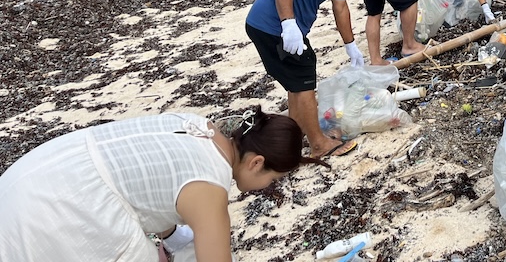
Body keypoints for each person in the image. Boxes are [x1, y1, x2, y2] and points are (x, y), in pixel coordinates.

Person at [0, 107, 314, 261]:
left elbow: (152, 179)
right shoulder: (209, 186)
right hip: (65, 209)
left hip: (35, 173)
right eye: (271, 179)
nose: (264, 187)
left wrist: (174, 236)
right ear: (256, 162)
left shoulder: (198, 126)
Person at [245, 0, 374, 159]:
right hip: (270, 25)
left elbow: (341, 8)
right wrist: (289, 25)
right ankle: (318, 144)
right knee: (303, 79)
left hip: (279, 27)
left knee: (297, 82)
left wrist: (351, 46)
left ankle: (294, 137)